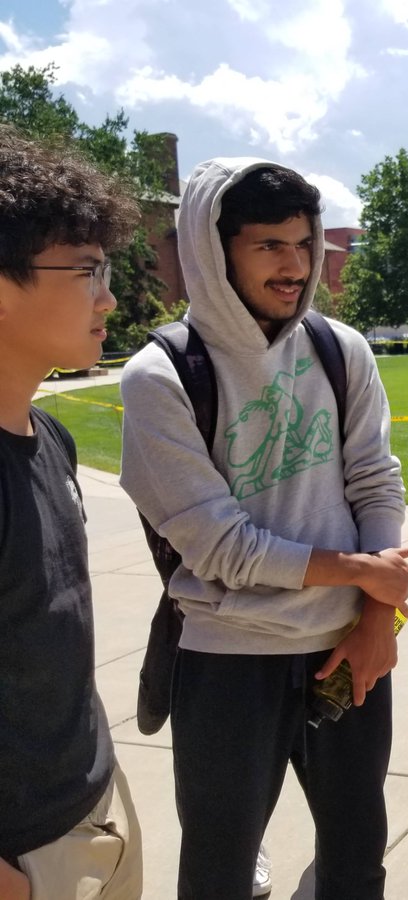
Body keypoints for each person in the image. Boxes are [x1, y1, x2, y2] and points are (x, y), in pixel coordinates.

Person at [119, 159, 408, 899]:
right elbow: (219, 545)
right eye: (269, 246)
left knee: (356, 859)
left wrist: (378, 617)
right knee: (219, 870)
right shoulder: (161, 377)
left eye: (304, 243)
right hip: (229, 659)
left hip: (348, 648)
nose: (295, 266)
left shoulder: (339, 349)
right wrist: (361, 573)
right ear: (214, 251)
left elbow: (377, 482)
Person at [0, 127, 143, 900]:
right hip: (25, 856)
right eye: (86, 272)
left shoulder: (47, 436)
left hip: (93, 806)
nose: (109, 297)